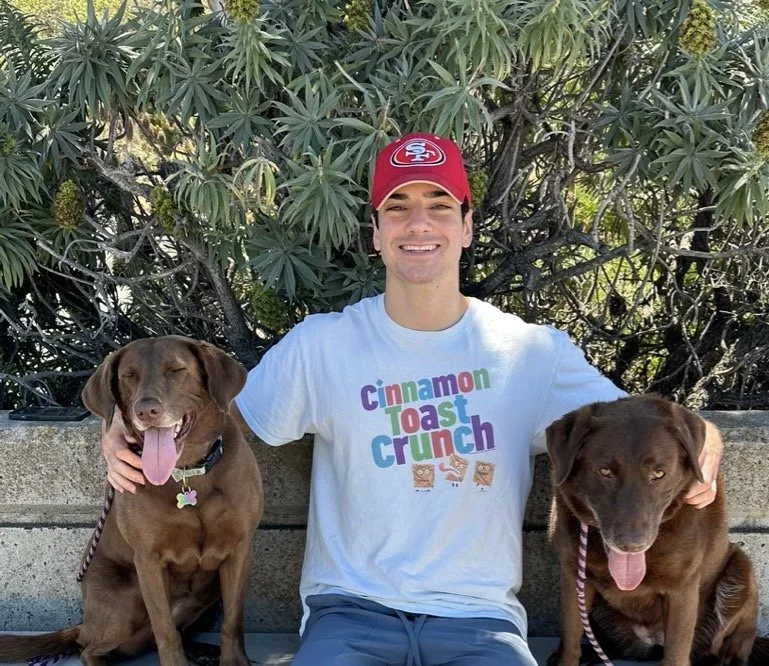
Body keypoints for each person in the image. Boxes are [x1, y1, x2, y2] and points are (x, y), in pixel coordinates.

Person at [102, 133, 723, 665]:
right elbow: (211, 413)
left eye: (438, 205)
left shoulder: (533, 353)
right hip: (349, 615)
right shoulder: (322, 344)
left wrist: (711, 445)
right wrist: (117, 432)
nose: (418, 223)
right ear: (375, 233)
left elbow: (653, 424)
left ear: (467, 226)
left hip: (479, 621)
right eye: (397, 207)